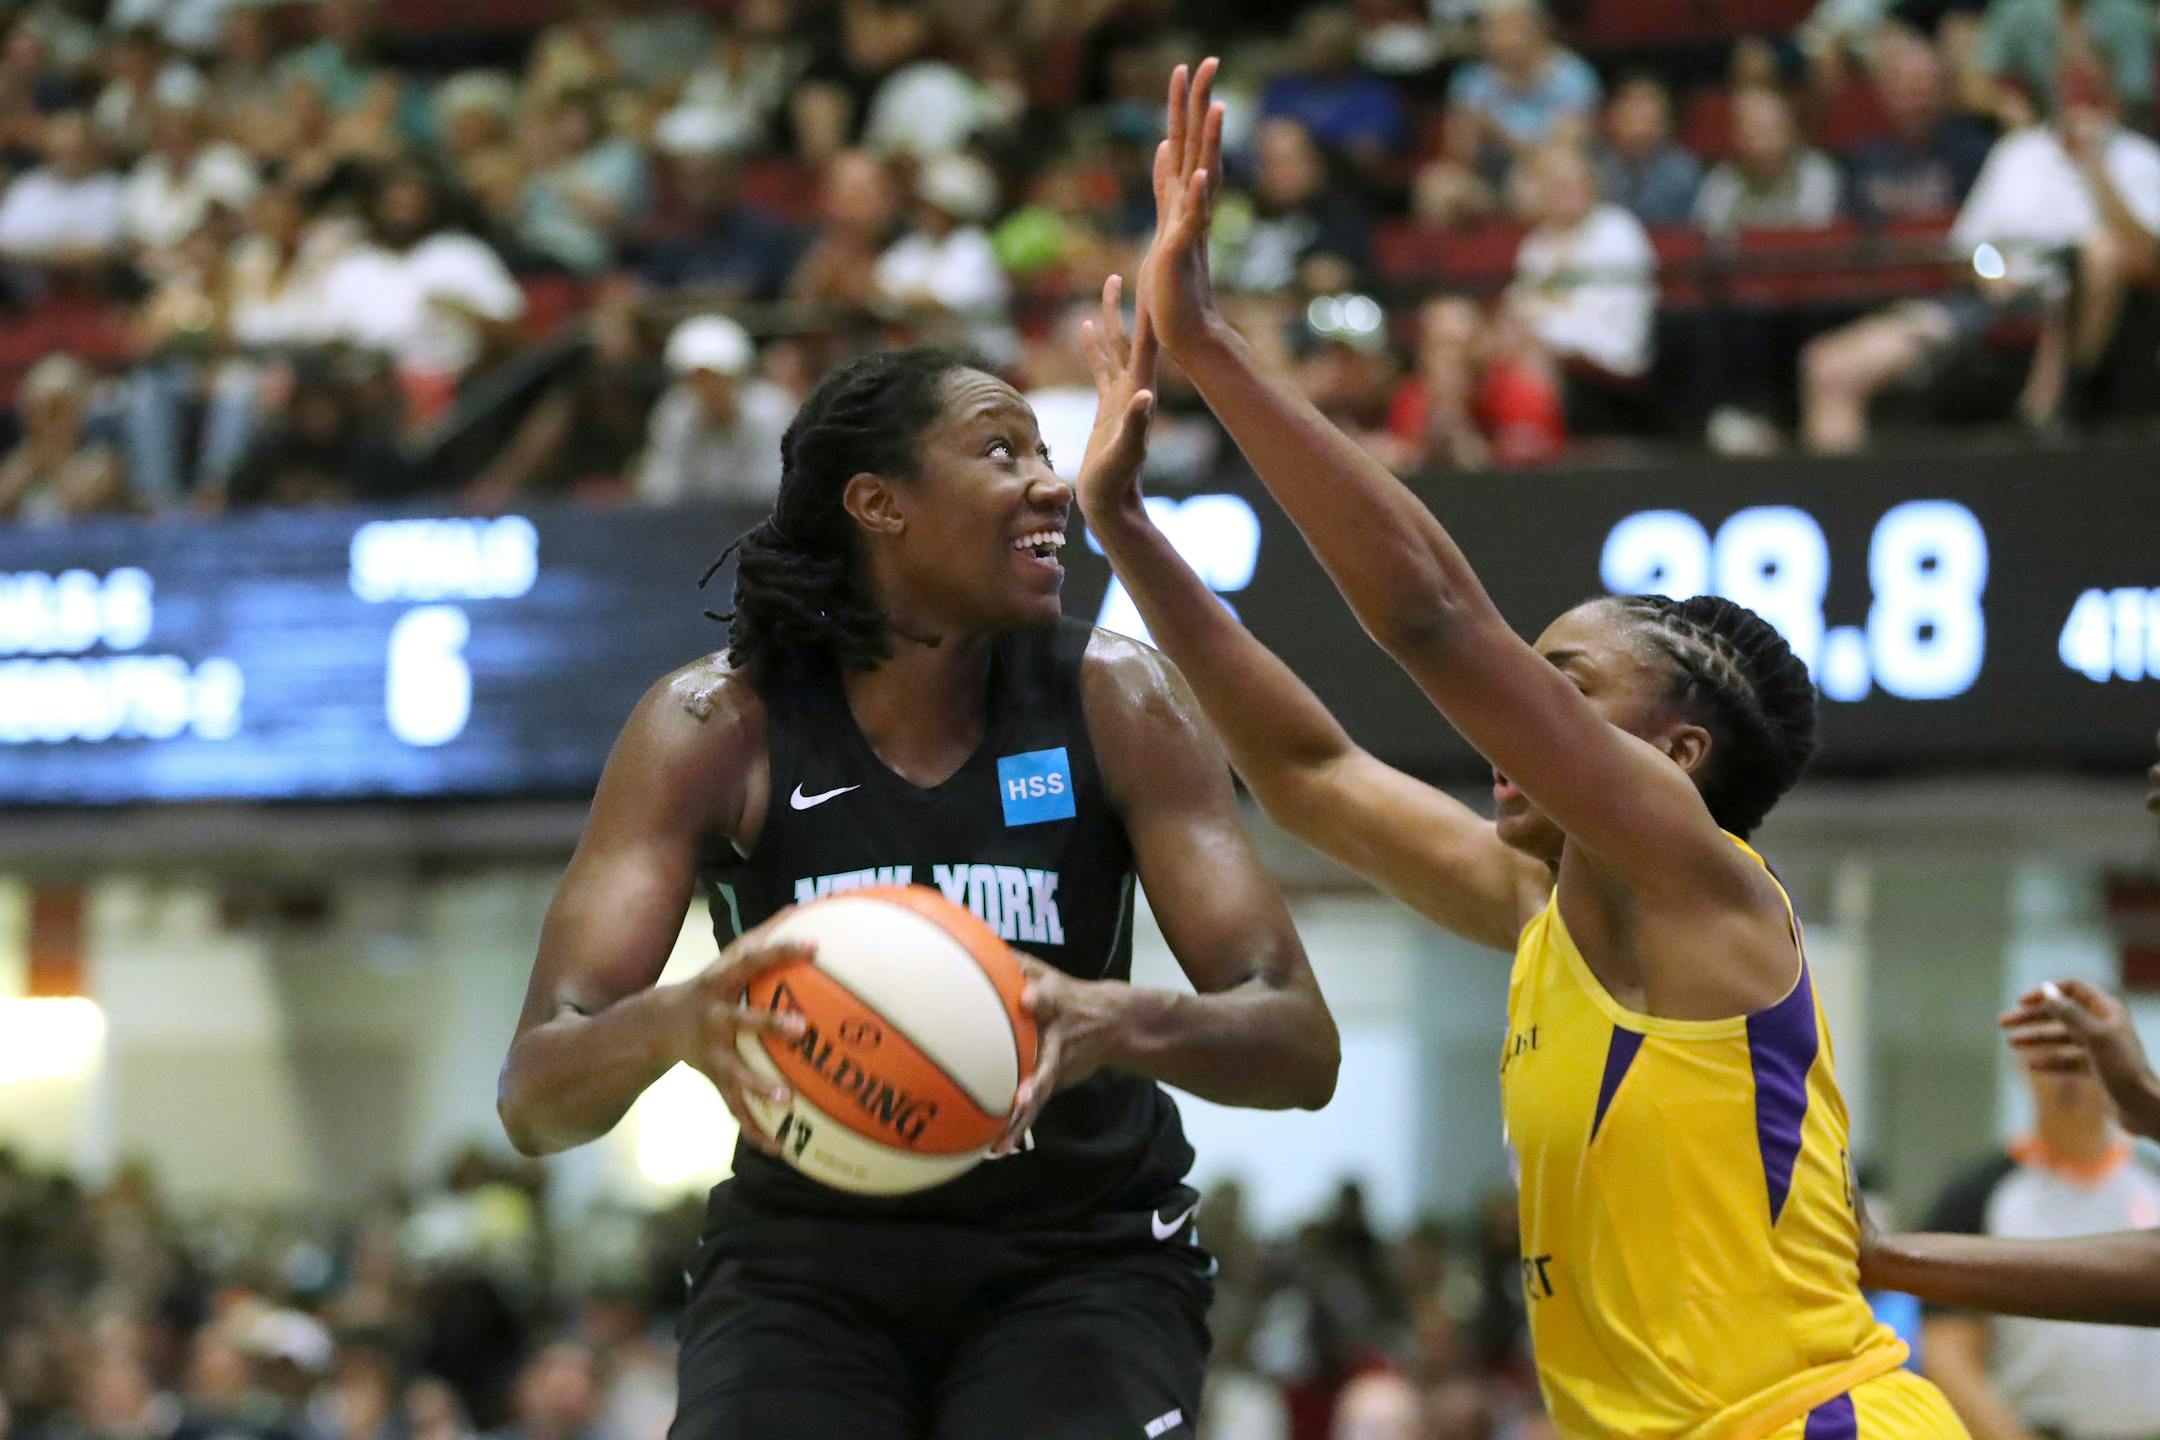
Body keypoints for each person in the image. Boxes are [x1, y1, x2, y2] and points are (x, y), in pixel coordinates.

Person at [1087, 58, 1968, 1437]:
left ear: (1674, 757)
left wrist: (1210, 349)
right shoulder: (1550, 909)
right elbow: (1310, 777)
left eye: (1567, 685)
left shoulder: (1704, 887)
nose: (1520, 722)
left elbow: (1433, 620)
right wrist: (1132, 530)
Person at [494, 334, 1341, 1438]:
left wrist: (1116, 1021)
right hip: (803, 1274)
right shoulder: (714, 726)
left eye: (1045, 449)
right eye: (1002, 450)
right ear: (878, 504)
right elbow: (536, 1095)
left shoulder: (1119, 699)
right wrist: (683, 1020)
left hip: (1079, 1260)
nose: (1050, 481)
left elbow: (1299, 1045)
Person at [1800, 56, 2160, 450]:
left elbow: (2148, 256)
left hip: (2075, 325)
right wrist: (1991, 274)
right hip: (1986, 309)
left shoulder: (2139, 160)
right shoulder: (2017, 154)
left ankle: (2044, 421)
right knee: (1829, 367)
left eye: (2090, 91)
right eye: (2070, 88)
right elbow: (1970, 250)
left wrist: (2097, 169)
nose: (2078, 103)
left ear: (2113, 96)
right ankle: (1849, 505)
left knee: (2094, 258)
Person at [1914, 1041, 2160, 1439]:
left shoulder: (2152, 1184)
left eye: (2082, 1059)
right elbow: (1948, 1349)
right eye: (2052, 1058)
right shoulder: (1976, 1194)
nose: (2069, 1077)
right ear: (2023, 1067)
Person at [632, 314, 792, 505]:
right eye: (697, 380)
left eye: (717, 378)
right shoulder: (675, 413)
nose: (708, 389)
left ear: (739, 376)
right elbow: (661, 487)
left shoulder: (771, 411)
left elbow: (773, 490)